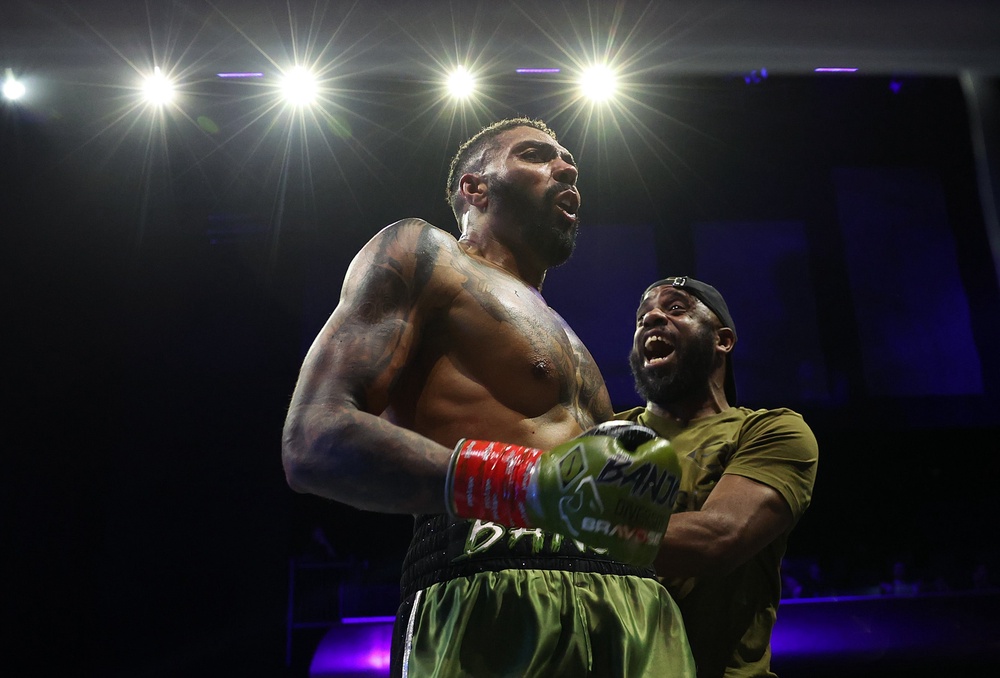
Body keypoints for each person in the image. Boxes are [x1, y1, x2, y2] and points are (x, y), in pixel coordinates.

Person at [282, 119, 695, 677]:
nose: (568, 168)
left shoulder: (569, 338)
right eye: (536, 155)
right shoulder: (424, 253)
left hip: (633, 606)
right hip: (490, 587)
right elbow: (313, 438)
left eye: (568, 160)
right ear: (474, 188)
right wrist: (531, 485)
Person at [617, 276, 819, 678]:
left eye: (675, 309)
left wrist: (569, 521)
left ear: (722, 340)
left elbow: (717, 539)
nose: (651, 318)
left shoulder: (772, 431)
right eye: (642, 317)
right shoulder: (601, 434)